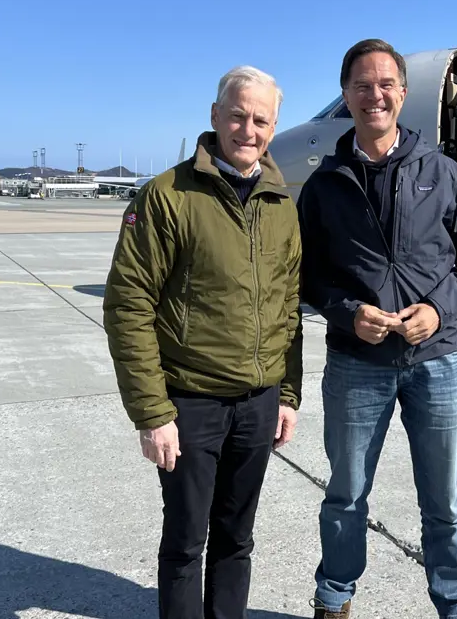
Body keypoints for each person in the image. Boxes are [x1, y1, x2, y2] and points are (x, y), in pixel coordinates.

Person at [296, 39, 457, 619]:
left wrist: (438, 309)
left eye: (385, 84)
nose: (374, 95)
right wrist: (345, 312)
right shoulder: (324, 184)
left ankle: (456, 606)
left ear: (403, 95)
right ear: (347, 95)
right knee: (345, 497)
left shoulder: (443, 172)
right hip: (357, 367)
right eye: (362, 85)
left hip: (438, 361)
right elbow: (307, 276)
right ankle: (334, 598)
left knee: (443, 503)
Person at [102, 64, 303, 619]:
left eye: (261, 120)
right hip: (190, 403)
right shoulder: (167, 195)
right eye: (237, 115)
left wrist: (287, 394)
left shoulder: (280, 202)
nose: (248, 129)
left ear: (273, 126)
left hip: (259, 403)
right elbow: (128, 305)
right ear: (215, 117)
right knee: (187, 543)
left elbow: (288, 306)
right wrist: (152, 412)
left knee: (238, 541)